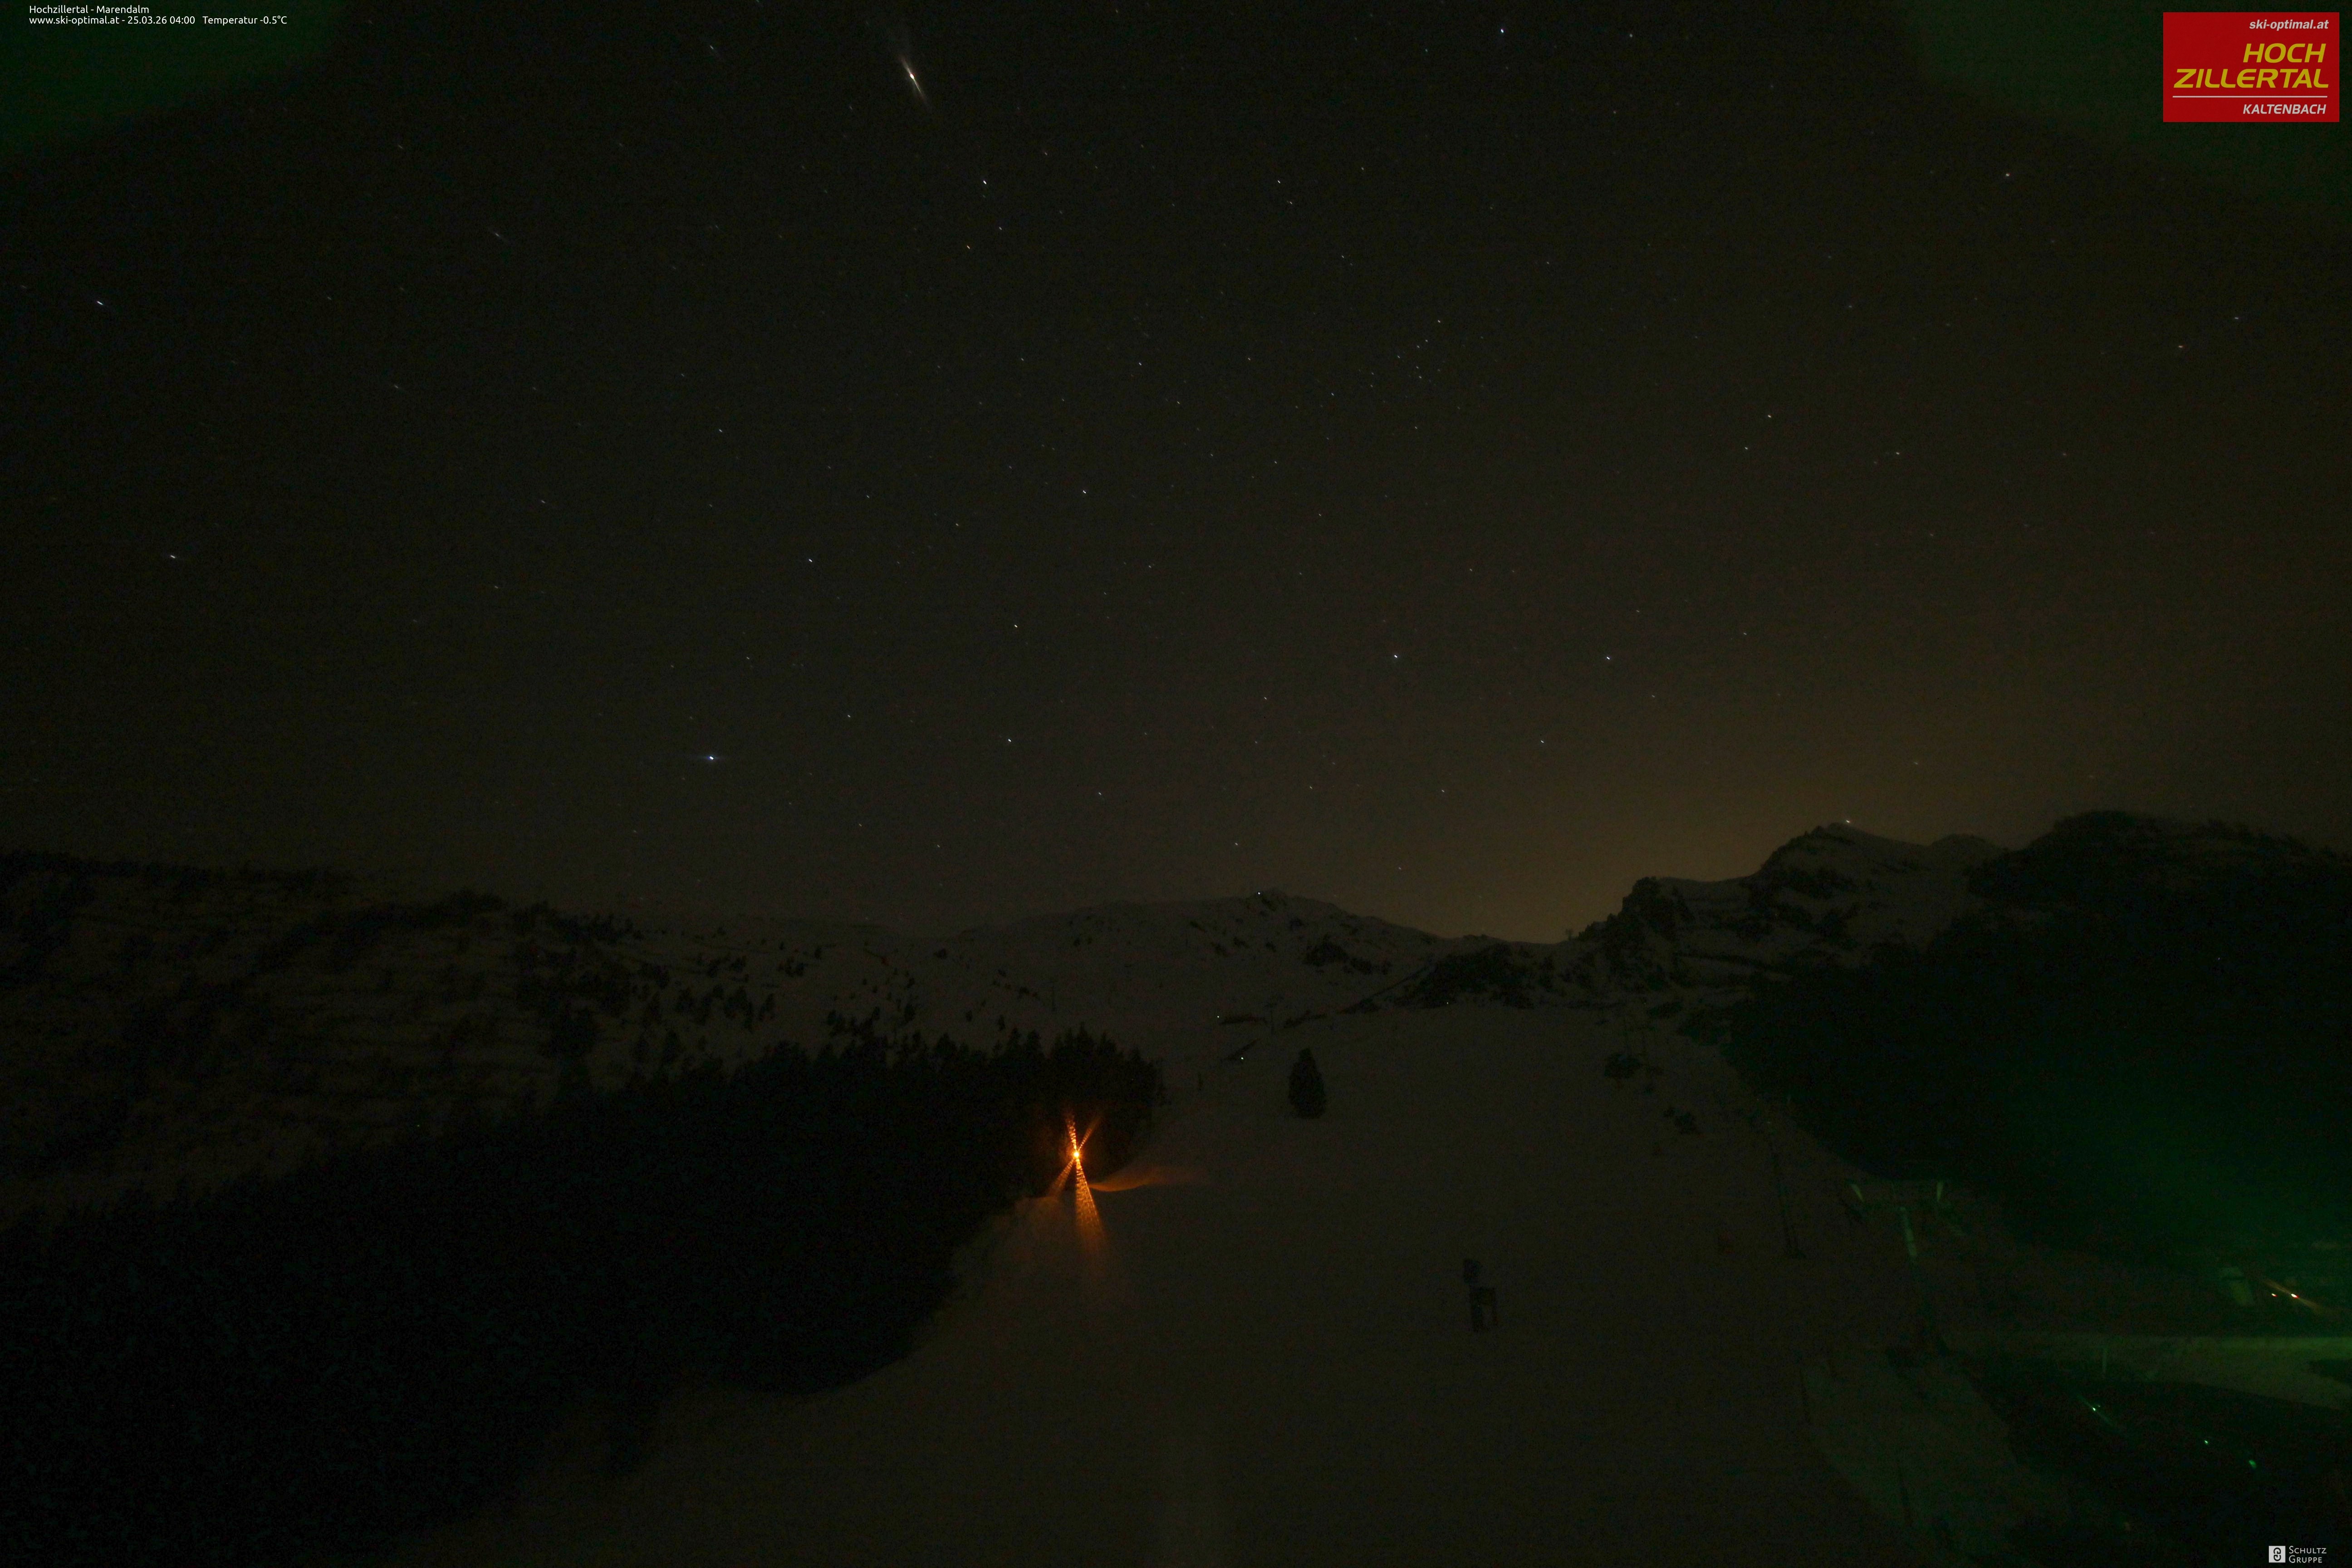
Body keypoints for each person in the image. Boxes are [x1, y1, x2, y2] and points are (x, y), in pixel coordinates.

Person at [1463, 1258, 1498, 1333]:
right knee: (1477, 1307)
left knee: (1477, 1307)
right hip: (1478, 1289)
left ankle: (1479, 1325)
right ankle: (1479, 1326)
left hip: (1479, 1289)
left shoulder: (1476, 1268)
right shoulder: (1476, 1268)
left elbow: (1468, 1279)